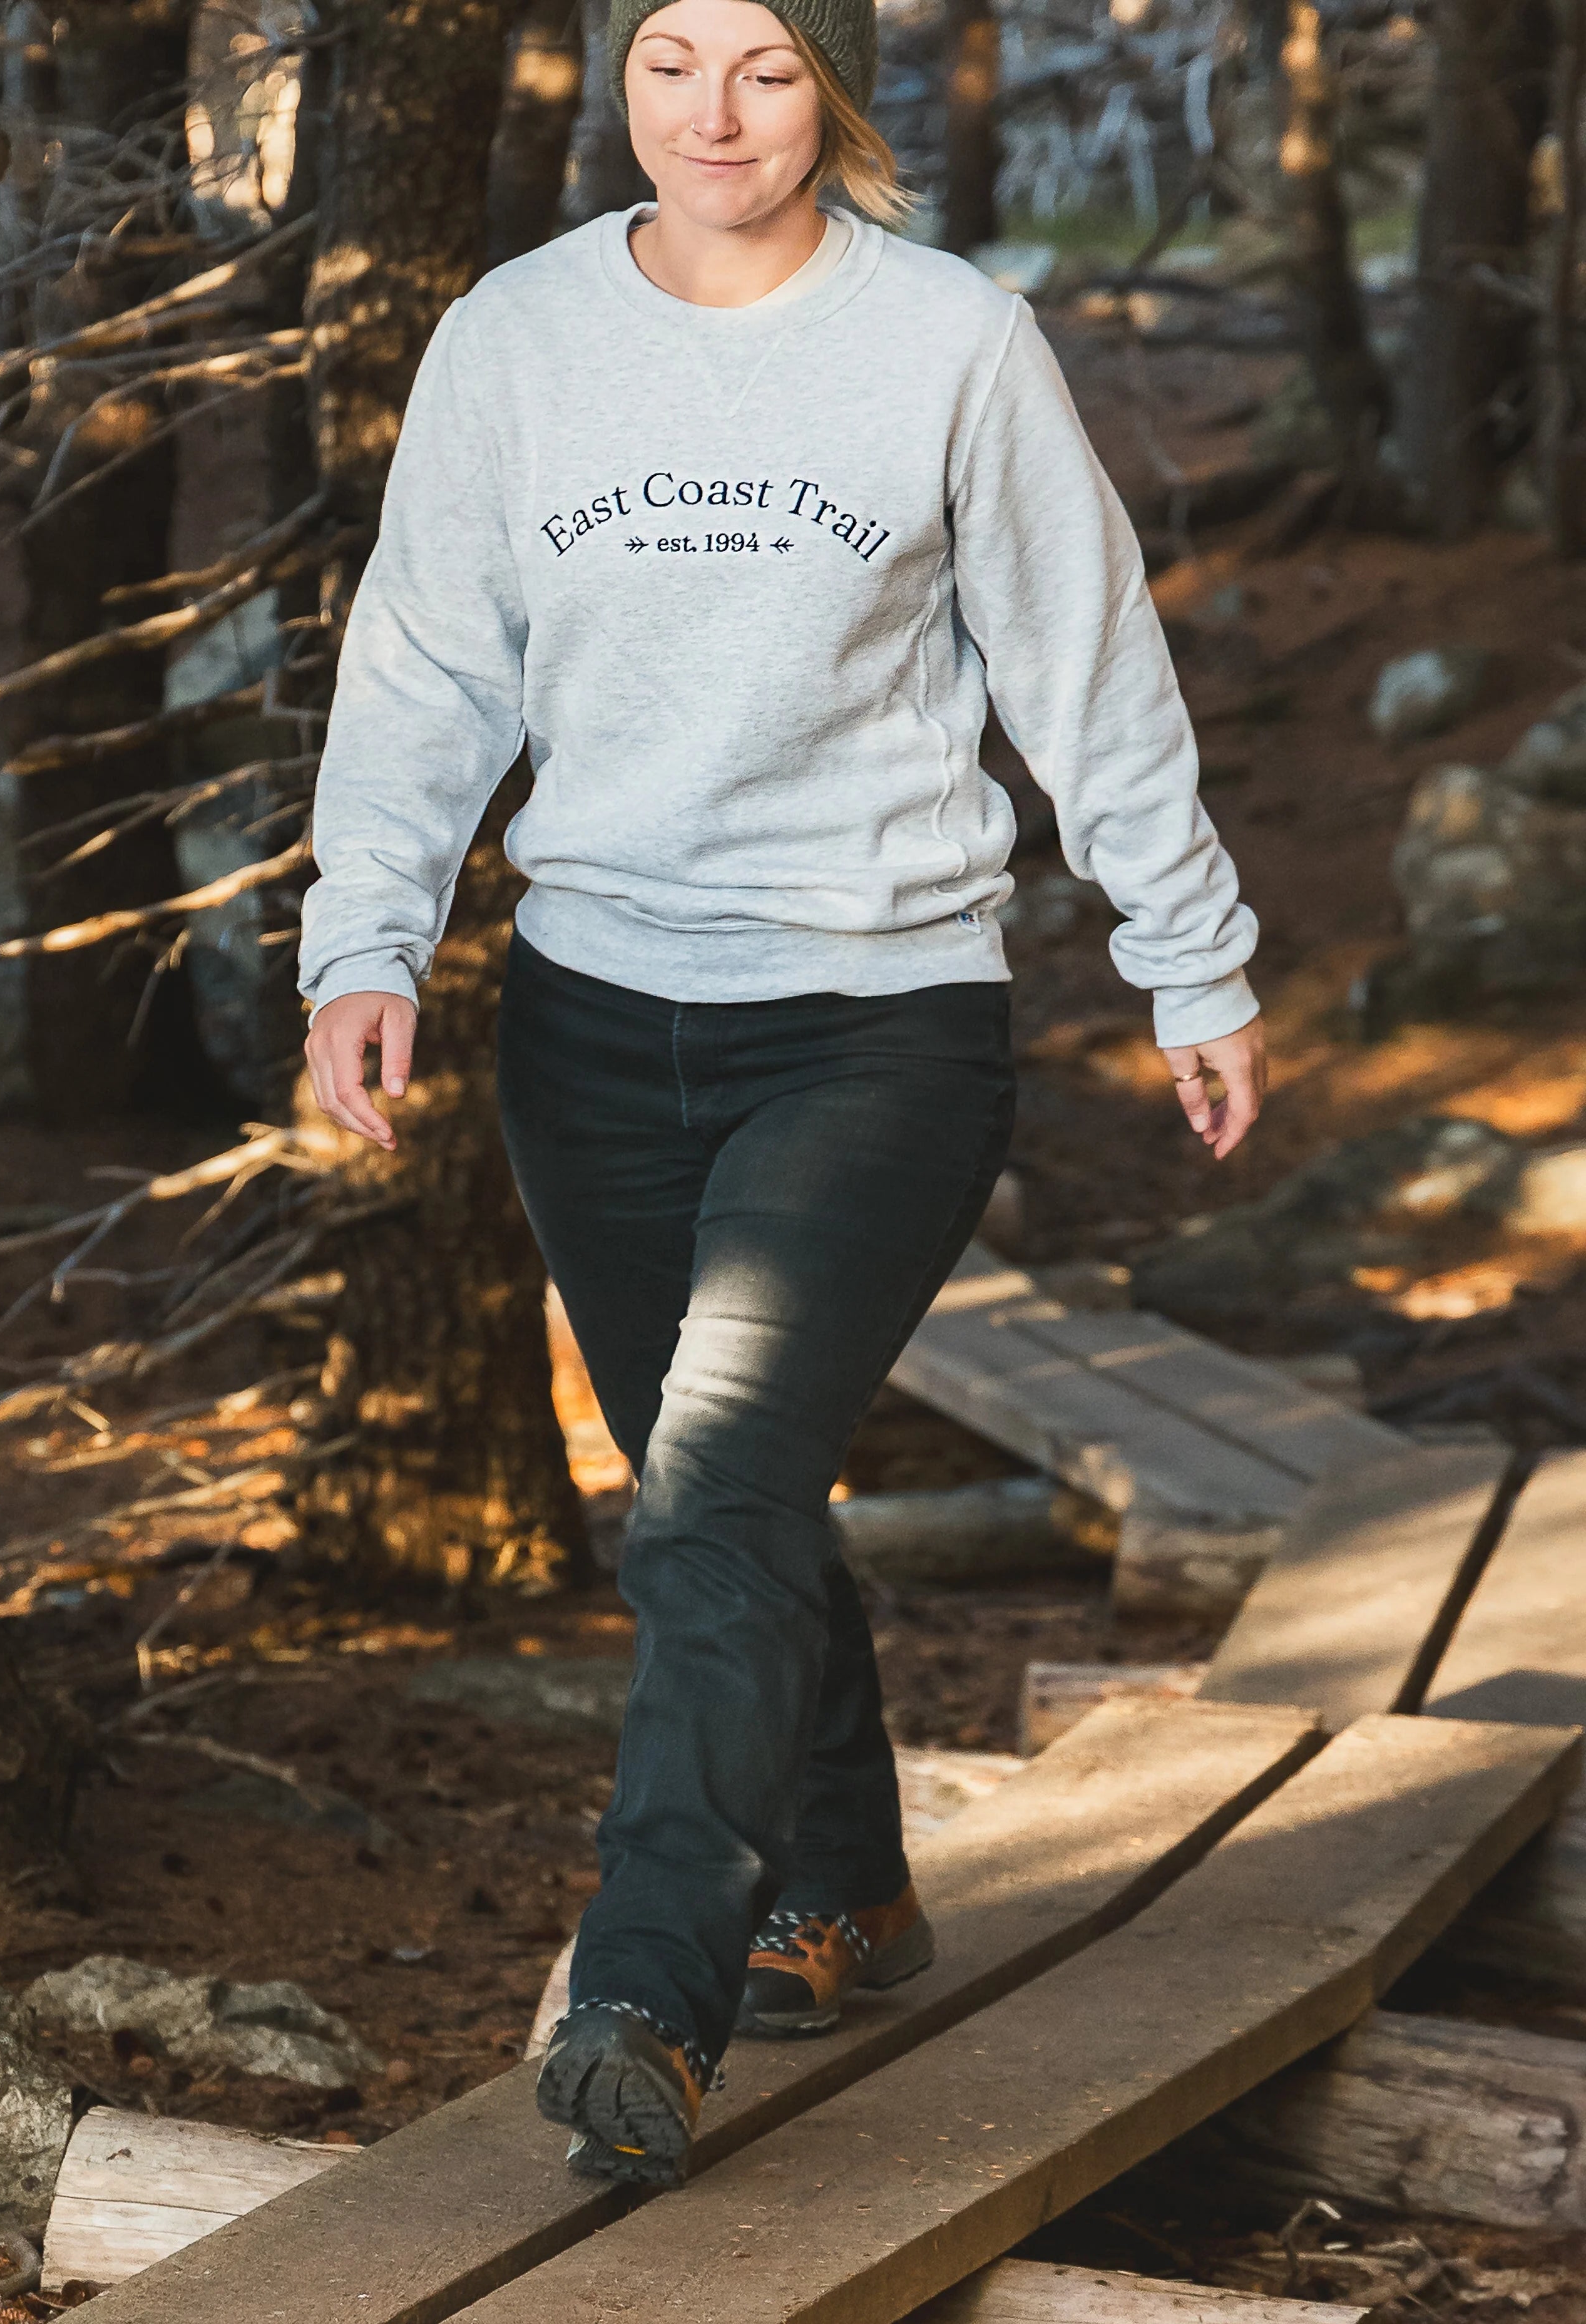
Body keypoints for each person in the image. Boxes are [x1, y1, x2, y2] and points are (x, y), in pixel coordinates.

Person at [295, 0, 1267, 2191]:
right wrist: (367, 935)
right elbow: (431, 655)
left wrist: (1187, 949)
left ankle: (651, 1989)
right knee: (723, 1490)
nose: (711, 114)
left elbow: (1082, 659)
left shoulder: (948, 339)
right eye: (666, 62)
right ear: (616, 83)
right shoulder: (517, 339)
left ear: (830, 85)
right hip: (589, 1013)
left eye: (759, 63)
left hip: (876, 1013)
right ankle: (854, 1887)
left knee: (715, 1487)